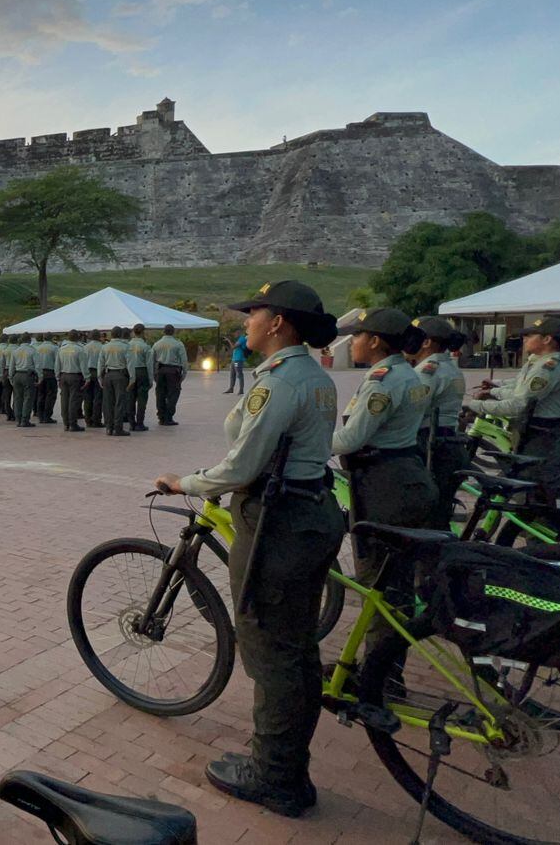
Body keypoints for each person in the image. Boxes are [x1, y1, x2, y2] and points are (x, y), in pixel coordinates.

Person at [152, 280, 342, 818]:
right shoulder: (311, 375)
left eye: (253, 314)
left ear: (278, 322)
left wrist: (183, 482)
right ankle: (287, 765)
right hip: (311, 511)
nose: (246, 323)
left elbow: (241, 467)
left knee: (268, 647)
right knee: (298, 645)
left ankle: (275, 777)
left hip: (278, 522)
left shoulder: (279, 383)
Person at [331, 309, 435, 644]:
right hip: (405, 475)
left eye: (358, 336)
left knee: (379, 585)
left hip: (382, 486)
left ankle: (380, 680)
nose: (353, 343)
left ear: (375, 341)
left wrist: (302, 443)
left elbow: (351, 439)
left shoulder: (382, 382)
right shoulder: (408, 373)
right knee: (397, 583)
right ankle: (388, 671)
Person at [462, 317, 560, 457]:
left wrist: (473, 405)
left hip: (542, 434)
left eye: (530, 335)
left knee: (527, 474)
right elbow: (522, 393)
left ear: (547, 339)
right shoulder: (553, 363)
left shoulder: (547, 368)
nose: (524, 339)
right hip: (549, 430)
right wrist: (493, 392)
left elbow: (518, 405)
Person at [407, 316, 469, 530]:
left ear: (426, 343)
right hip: (447, 442)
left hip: (431, 445)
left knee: (428, 518)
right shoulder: (449, 367)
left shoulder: (428, 371)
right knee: (439, 515)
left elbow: (412, 410)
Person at [96, 328, 132, 436]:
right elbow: (130, 364)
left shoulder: (105, 347)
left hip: (108, 375)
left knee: (107, 403)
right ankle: (118, 428)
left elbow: (100, 363)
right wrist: (132, 379)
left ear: (111, 335)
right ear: (121, 335)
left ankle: (109, 428)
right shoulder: (126, 347)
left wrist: (100, 377)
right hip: (121, 376)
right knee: (119, 402)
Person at [151, 324, 188, 426]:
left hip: (161, 371)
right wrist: (184, 374)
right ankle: (168, 417)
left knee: (160, 394)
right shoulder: (178, 344)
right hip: (173, 371)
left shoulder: (157, 344)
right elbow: (184, 360)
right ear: (173, 332)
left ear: (163, 331)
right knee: (173, 394)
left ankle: (161, 416)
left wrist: (154, 374)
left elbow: (153, 360)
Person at [54, 332, 85, 431]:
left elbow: (57, 365)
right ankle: (73, 424)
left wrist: (58, 377)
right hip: (75, 376)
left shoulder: (61, 349)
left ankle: (66, 423)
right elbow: (83, 366)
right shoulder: (80, 349)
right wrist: (87, 377)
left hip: (63, 376)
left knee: (64, 400)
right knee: (73, 401)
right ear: (78, 338)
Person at [128, 324, 152, 431]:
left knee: (130, 399)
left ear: (133, 332)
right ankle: (140, 423)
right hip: (142, 372)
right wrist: (150, 379)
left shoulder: (127, 345)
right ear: (143, 332)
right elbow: (149, 365)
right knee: (142, 400)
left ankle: (131, 423)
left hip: (130, 372)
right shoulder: (146, 347)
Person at [34, 335, 57, 423]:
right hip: (50, 373)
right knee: (50, 395)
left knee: (41, 395)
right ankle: (47, 416)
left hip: (39, 372)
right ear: (51, 338)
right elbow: (56, 362)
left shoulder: (37, 348)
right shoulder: (54, 348)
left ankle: (40, 415)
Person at [83, 330, 104, 429]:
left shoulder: (84, 347)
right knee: (98, 398)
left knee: (87, 398)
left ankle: (88, 420)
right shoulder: (102, 347)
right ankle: (96, 420)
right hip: (98, 373)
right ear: (99, 337)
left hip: (87, 373)